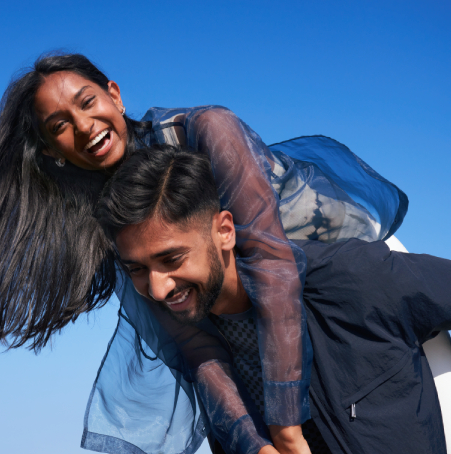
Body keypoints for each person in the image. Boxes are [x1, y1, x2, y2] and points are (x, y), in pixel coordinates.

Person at [0, 53, 408, 452]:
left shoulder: (206, 130)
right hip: (244, 321)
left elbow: (272, 263)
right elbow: (196, 345)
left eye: (87, 102)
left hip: (341, 282)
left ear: (114, 94)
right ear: (52, 153)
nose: (84, 127)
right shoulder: (111, 220)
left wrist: (285, 431)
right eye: (60, 125)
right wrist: (257, 445)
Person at [93, 144, 449, 454]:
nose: (157, 290)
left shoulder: (348, 279)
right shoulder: (204, 358)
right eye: (137, 269)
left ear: (225, 232)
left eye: (171, 260)